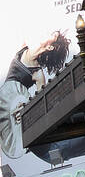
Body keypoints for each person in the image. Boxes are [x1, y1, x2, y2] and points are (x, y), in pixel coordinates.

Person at [0, 32, 70, 162]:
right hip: (2, 101)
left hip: (12, 111)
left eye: (52, 35)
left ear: (50, 47)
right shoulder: (23, 46)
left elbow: (39, 107)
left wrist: (25, 110)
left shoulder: (38, 74)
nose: (48, 33)